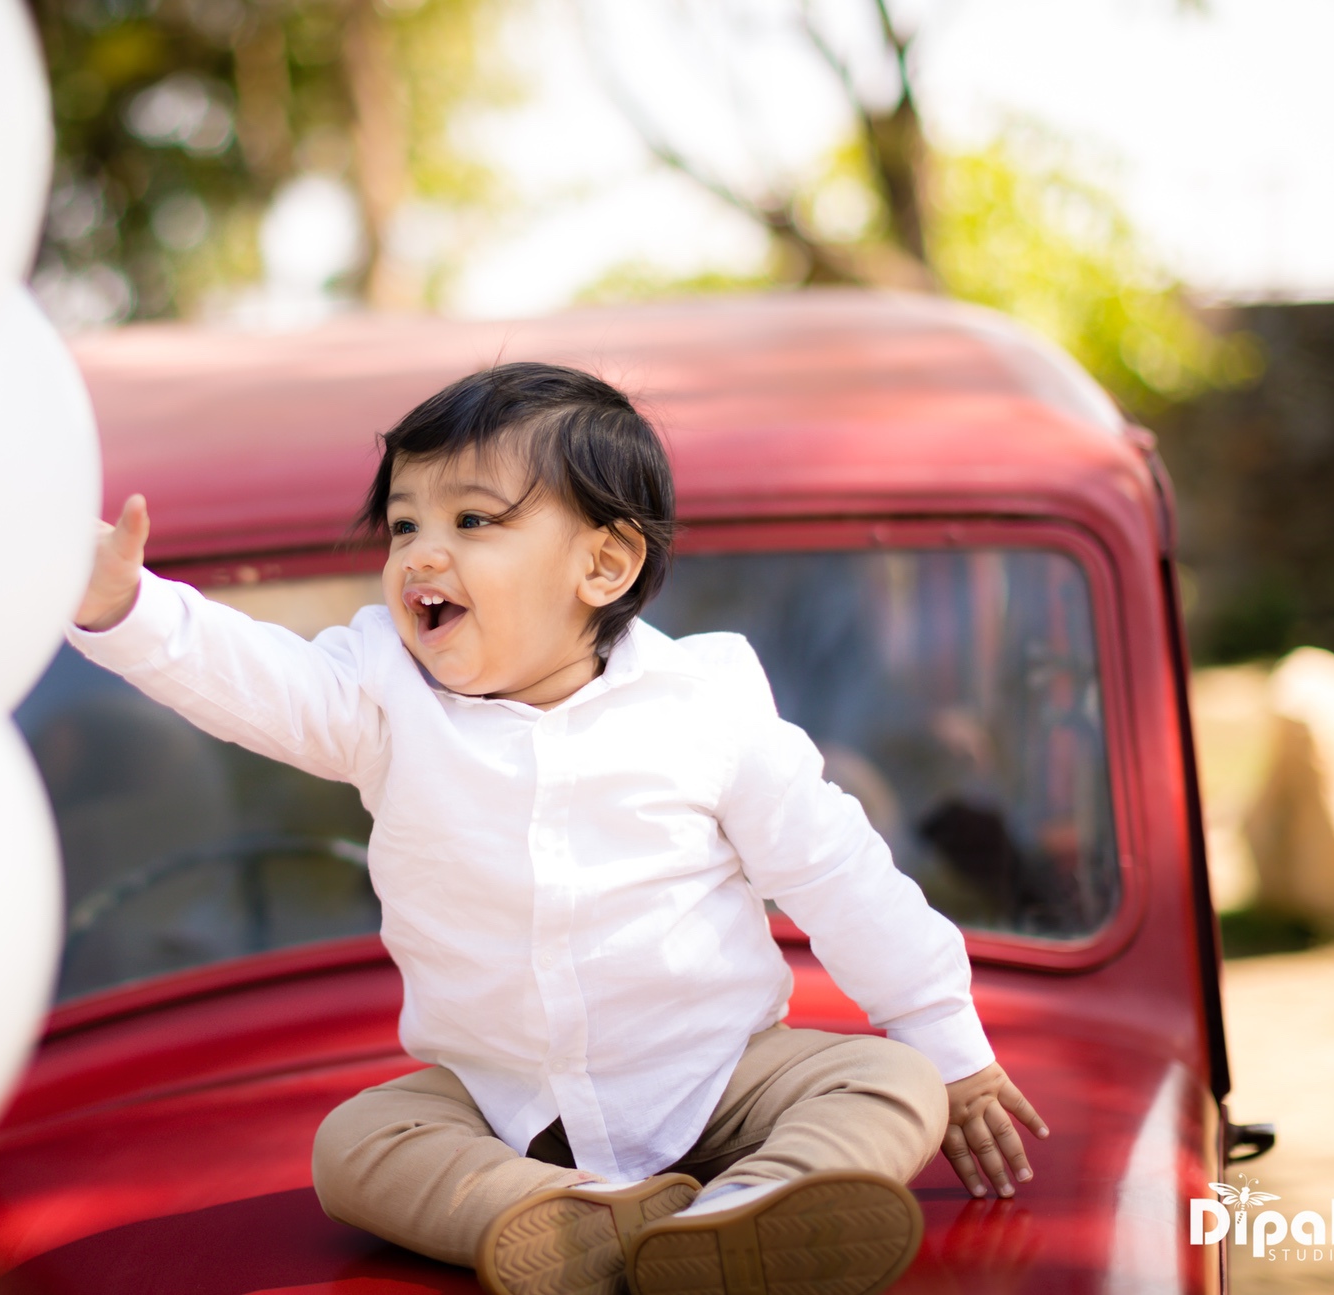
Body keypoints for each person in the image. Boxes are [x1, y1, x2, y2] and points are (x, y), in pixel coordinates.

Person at [67, 362, 1048, 1295]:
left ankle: (755, 1205)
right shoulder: (379, 693)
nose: (420, 551)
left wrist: (947, 1045)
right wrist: (129, 609)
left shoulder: (702, 706)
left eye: (471, 519)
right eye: (402, 523)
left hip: (716, 1076)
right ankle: (580, 1212)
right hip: (505, 1109)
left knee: (887, 1079)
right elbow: (259, 680)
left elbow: (837, 871)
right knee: (356, 1145)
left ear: (604, 562)